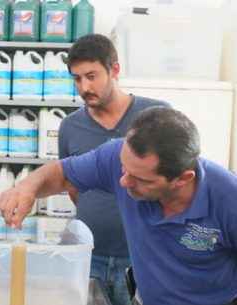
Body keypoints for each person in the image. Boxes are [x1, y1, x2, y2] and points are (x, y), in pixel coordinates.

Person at [0, 107, 237, 305]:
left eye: (140, 179)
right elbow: (62, 172)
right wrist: (27, 188)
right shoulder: (119, 158)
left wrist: (204, 278)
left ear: (182, 179)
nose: (123, 182)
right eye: (123, 168)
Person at [59, 33, 170, 305]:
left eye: (92, 75)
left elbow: (175, 181)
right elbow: (72, 185)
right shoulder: (70, 127)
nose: (84, 86)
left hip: (143, 257)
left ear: (115, 70)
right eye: (77, 79)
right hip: (88, 257)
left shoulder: (157, 116)